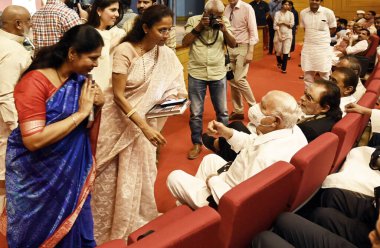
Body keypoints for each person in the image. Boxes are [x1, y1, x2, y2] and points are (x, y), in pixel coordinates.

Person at [91, 5, 186, 244]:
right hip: (118, 122)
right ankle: (107, 227)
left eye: (169, 29)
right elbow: (120, 96)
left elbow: (174, 83)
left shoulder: (163, 53)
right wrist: (143, 126)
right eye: (161, 30)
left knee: (143, 173)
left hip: (145, 122)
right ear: (145, 28)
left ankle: (136, 220)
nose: (166, 35)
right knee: (111, 178)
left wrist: (172, 100)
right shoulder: (125, 50)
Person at [4, 24, 104, 247]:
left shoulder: (79, 80)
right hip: (38, 177)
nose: (96, 64)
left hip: (73, 174)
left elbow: (86, 124)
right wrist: (81, 113)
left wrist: (98, 105)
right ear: (72, 53)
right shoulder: (34, 83)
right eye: (93, 57)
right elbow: (33, 140)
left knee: (81, 230)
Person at [167, 91, 307, 209]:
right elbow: (253, 143)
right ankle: (196, 206)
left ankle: (205, 210)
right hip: (234, 178)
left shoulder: (264, 158)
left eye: (263, 107)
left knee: (174, 176)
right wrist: (227, 132)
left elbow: (241, 201)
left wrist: (213, 181)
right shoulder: (293, 130)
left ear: (275, 121)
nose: (255, 108)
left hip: (226, 195)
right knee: (210, 159)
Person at [202, 79, 341, 161]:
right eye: (305, 94)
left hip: (269, 151)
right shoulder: (334, 115)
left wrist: (262, 127)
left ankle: (218, 146)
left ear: (324, 108)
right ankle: (219, 142)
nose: (302, 98)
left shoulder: (309, 130)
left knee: (238, 126)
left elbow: (265, 135)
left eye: (309, 98)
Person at [183, 0, 236, 160]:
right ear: (205, 13)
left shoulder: (223, 21)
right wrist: (199, 27)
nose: (215, 19)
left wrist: (224, 30)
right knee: (196, 113)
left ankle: (224, 143)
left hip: (218, 72)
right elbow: (185, 42)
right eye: (212, 16)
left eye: (218, 16)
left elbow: (233, 44)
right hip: (196, 72)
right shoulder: (193, 21)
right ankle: (197, 143)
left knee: (223, 112)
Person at [0, 5, 32, 213]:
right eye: (29, 21)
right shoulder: (13, 51)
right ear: (18, 25)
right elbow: (5, 94)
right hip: (5, 122)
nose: (31, 25)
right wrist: (16, 128)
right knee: (3, 177)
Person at [224, 0, 258, 121]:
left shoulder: (247, 8)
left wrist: (251, 51)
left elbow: (253, 31)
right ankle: (238, 111)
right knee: (232, 81)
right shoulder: (227, 9)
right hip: (229, 48)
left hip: (243, 46)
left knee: (239, 79)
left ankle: (255, 108)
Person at [87, 0, 126, 90]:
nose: (116, 14)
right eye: (113, 10)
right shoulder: (88, 33)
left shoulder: (118, 33)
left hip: (111, 90)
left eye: (117, 10)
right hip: (93, 88)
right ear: (99, 11)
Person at [300, 0, 336, 85]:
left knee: (324, 73)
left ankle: (325, 95)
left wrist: (321, 38)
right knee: (308, 73)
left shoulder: (328, 12)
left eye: (317, 0)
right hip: (308, 46)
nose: (314, 2)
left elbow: (333, 28)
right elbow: (305, 28)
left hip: (323, 47)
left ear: (320, 1)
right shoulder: (303, 12)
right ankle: (309, 94)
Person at [273, 0, 294, 73]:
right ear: (282, 5)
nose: (287, 6)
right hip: (279, 33)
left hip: (288, 34)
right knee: (278, 51)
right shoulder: (277, 14)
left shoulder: (291, 14)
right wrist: (279, 35)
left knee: (286, 50)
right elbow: (275, 25)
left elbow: (291, 25)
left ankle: (284, 68)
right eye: (285, 4)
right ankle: (279, 61)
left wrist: (283, 22)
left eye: (288, 5)